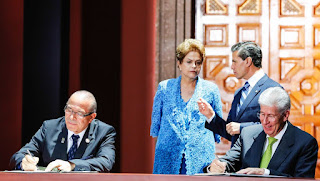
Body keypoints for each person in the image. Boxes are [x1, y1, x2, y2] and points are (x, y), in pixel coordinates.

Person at [205, 87, 318, 178]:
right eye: (262, 114)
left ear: (285, 115)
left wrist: (265, 172)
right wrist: (218, 166)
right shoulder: (248, 134)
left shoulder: (305, 143)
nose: (264, 122)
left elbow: (301, 180)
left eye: (271, 116)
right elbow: (228, 162)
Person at [150, 39, 222, 175]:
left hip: (201, 157)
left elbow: (218, 128)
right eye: (189, 62)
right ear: (179, 64)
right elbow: (156, 125)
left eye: (198, 62)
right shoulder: (164, 88)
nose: (193, 66)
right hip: (168, 155)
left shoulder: (211, 89)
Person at [198, 42, 281, 146]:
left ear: (248, 61)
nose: (232, 67)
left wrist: (242, 128)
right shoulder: (239, 93)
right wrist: (210, 115)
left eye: (235, 62)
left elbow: (276, 127)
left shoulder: (273, 89)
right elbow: (230, 132)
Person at [10, 90, 116, 172]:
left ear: (91, 117)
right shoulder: (49, 128)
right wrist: (24, 162)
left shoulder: (104, 132)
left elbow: (106, 162)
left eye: (79, 113)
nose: (71, 117)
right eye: (69, 110)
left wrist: (72, 165)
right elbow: (19, 155)